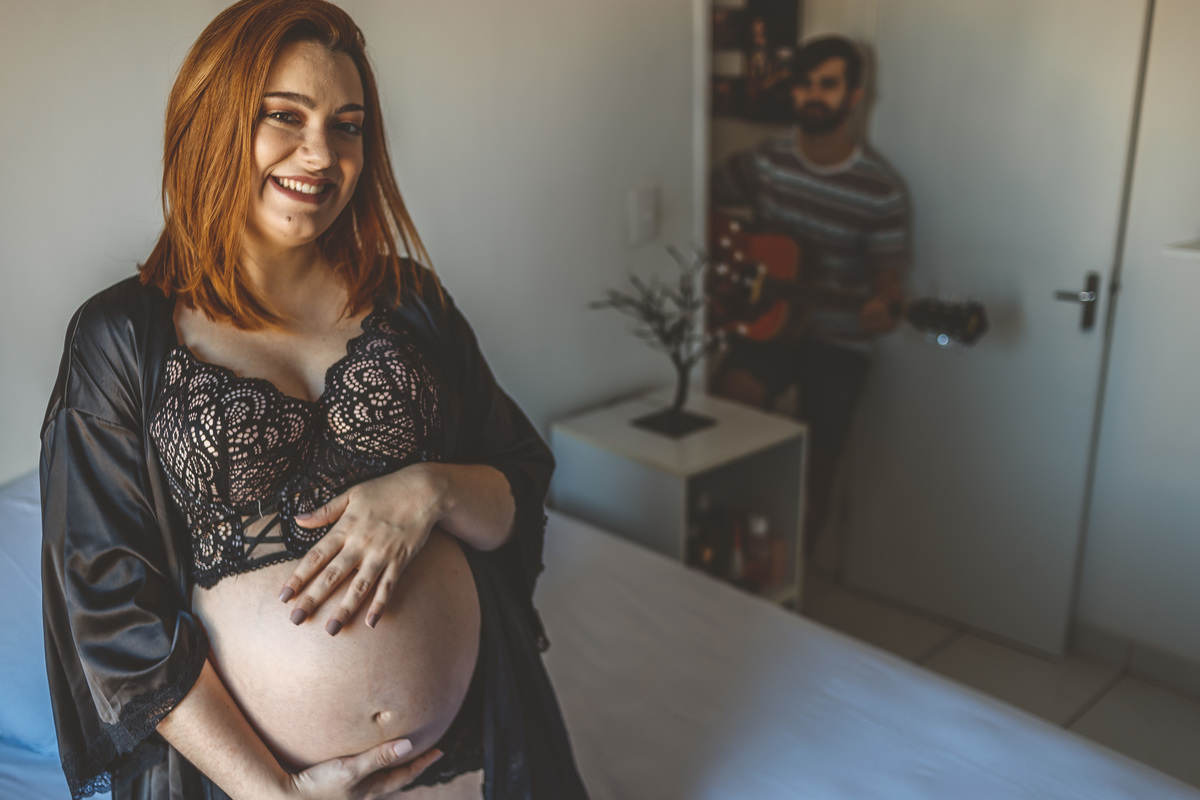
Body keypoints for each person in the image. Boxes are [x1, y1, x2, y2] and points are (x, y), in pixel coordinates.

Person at [38, 2, 589, 799]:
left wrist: (431, 489)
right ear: (214, 123)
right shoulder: (120, 336)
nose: (321, 154)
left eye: (349, 125)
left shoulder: (412, 302)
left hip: (467, 761)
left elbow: (518, 486)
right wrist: (278, 795)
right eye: (284, 117)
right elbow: (112, 616)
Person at [710, 35, 911, 553]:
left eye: (827, 84)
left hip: (838, 340)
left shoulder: (881, 189)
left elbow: (889, 283)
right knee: (726, 409)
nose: (813, 95)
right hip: (768, 324)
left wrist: (882, 311)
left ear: (854, 95)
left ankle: (786, 583)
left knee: (815, 469)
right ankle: (723, 553)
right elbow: (701, 196)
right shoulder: (766, 161)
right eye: (804, 84)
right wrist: (725, 265)